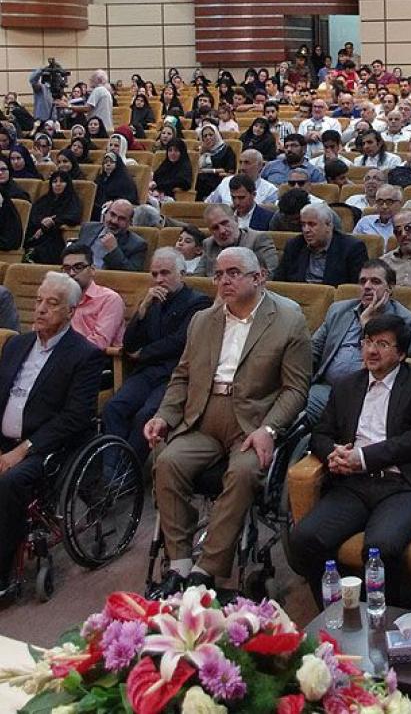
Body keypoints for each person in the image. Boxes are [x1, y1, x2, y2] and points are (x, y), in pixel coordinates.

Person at [144, 247, 311, 594]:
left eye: (233, 273)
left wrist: (269, 429)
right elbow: (182, 377)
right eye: (219, 274)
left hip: (253, 421)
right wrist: (163, 416)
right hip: (203, 417)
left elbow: (296, 389)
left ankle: (206, 569)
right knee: (166, 460)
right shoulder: (203, 320)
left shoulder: (288, 317)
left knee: (244, 471)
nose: (224, 281)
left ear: (259, 277)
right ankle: (179, 564)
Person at [288, 312, 411, 606]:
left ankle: (388, 613)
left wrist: (362, 457)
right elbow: (320, 432)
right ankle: (340, 608)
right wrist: (332, 453)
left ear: (400, 353)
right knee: (304, 539)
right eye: (368, 342)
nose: (372, 350)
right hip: (352, 484)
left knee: (381, 547)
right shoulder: (348, 384)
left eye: (383, 344)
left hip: (403, 484)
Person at [0, 272, 104, 599]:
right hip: (5, 438)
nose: (42, 309)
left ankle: (3, 575)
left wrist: (22, 450)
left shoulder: (84, 355)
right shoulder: (16, 344)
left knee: (10, 482)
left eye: (52, 303)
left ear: (71, 311)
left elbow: (74, 417)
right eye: (39, 300)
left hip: (47, 448)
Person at [103, 248, 212, 466]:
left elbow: (180, 341)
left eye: (165, 273)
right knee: (114, 407)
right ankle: (109, 472)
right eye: (154, 274)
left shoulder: (199, 302)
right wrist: (142, 310)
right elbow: (130, 343)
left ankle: (128, 472)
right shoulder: (153, 301)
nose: (159, 280)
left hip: (175, 375)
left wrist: (143, 353)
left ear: (182, 273)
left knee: (145, 415)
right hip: (146, 372)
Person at [307, 260, 411, 424]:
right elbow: (312, 350)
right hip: (324, 390)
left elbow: (393, 366)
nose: (367, 286)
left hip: (369, 394)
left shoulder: (407, 321)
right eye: (362, 281)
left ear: (390, 288)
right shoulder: (339, 310)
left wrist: (367, 325)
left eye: (375, 281)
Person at [273, 203, 368, 285]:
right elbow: (278, 281)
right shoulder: (294, 245)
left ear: (328, 225)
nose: (306, 230)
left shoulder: (352, 248)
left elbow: (355, 288)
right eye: (303, 225)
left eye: (312, 224)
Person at [61, 243, 126, 349]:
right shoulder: (60, 298)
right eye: (67, 268)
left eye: (78, 267)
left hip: (96, 360)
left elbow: (100, 342)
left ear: (92, 270)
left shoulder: (110, 299)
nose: (72, 273)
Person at [195, 203, 279, 278]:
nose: (222, 231)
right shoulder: (209, 244)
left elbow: (268, 275)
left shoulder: (258, 239)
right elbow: (197, 279)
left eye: (225, 223)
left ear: (236, 220)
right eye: (215, 228)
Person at [23, 173, 82, 264]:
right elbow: (33, 215)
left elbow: (73, 217)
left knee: (48, 245)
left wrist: (53, 221)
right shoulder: (44, 199)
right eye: (54, 181)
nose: (58, 184)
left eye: (62, 181)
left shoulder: (72, 200)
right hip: (37, 232)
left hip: (56, 235)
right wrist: (42, 222)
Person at [77, 199, 147, 272]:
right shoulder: (88, 228)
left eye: (121, 218)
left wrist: (114, 250)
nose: (114, 221)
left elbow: (131, 275)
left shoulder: (138, 245)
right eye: (112, 214)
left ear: (130, 222)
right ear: (106, 213)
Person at [353, 184, 403, 251]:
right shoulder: (364, 222)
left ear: (400, 203)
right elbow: (352, 247)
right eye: (380, 202)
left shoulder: (406, 225)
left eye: (389, 202)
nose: (384, 206)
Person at [91, 151, 139, 219]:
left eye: (112, 162)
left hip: (116, 211)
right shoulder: (100, 179)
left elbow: (130, 200)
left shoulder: (125, 181)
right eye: (105, 162)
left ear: (118, 164)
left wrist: (114, 203)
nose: (108, 164)